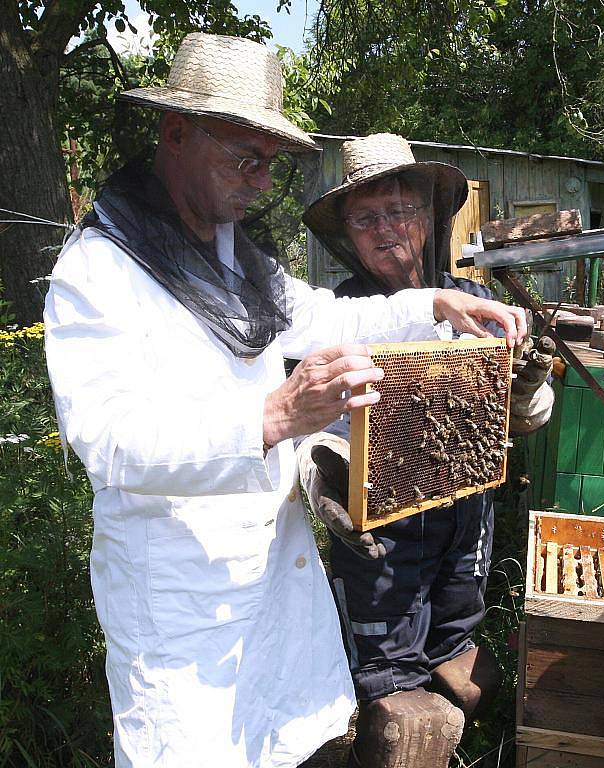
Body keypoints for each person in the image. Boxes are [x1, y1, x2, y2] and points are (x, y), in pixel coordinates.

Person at [42, 36, 528, 768]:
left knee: (286, 748)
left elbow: (316, 316)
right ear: (176, 134)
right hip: (182, 600)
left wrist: (432, 305)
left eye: (270, 162)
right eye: (247, 157)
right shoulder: (97, 272)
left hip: (271, 579)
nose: (262, 180)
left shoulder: (230, 251)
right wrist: (271, 418)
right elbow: (107, 442)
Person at [298, 134, 554, 768]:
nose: (387, 230)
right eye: (366, 218)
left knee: (459, 646)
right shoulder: (334, 315)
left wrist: (525, 389)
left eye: (399, 210)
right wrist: (325, 480)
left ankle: (462, 746)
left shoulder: (472, 299)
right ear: (347, 236)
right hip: (380, 535)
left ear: (428, 217)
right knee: (388, 682)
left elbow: (528, 419)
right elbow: (312, 422)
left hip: (467, 515)